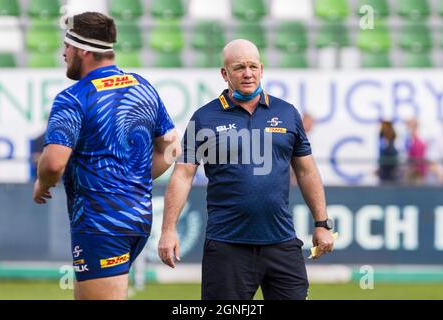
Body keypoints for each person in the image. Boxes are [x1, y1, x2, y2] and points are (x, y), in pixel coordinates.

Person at [158, 39, 334, 300]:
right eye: (239, 67)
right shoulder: (204, 117)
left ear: (261, 69)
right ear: (224, 73)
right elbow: (183, 175)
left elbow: (307, 171)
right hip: (227, 247)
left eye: (253, 66)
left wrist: (322, 223)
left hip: (282, 243)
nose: (248, 73)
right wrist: (168, 229)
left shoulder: (287, 113)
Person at [32, 12, 180, 300]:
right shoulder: (142, 86)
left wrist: (43, 184)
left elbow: (53, 163)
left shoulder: (73, 98)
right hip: (137, 220)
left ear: (83, 50)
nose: (64, 53)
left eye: (67, 46)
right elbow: (172, 148)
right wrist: (131, 176)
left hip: (101, 224)